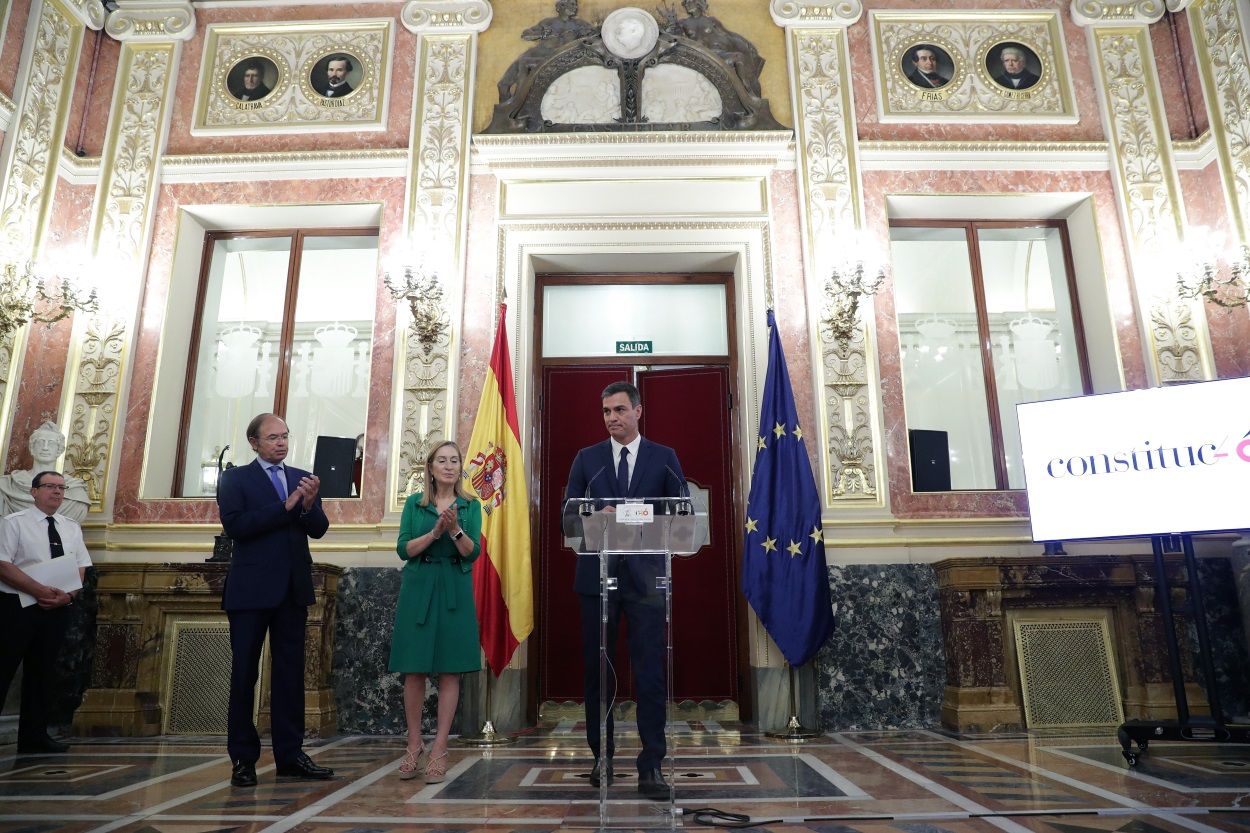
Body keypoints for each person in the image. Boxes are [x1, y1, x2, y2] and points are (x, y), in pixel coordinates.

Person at [564, 381, 686, 801]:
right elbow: (567, 516)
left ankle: (651, 764)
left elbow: (683, 512)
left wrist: (635, 512)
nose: (611, 418)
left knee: (649, 672)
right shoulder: (588, 459)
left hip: (646, 578)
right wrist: (596, 513)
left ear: (638, 411)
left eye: (619, 410)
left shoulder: (663, 457)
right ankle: (603, 757)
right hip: (596, 578)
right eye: (605, 412)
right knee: (598, 673)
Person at [216, 413, 334, 788]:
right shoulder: (235, 478)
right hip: (250, 592)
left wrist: (307, 504)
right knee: (244, 676)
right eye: (273, 438)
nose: (281, 443)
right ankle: (243, 759)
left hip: (291, 591)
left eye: (285, 436)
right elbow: (236, 527)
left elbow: (318, 529)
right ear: (254, 442)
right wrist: (285, 507)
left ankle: (290, 755)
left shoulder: (301, 477)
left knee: (289, 676)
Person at [388, 441, 482, 783]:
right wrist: (434, 532)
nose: (448, 466)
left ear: (460, 468)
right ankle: (414, 744)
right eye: (442, 460)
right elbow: (403, 548)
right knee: (413, 670)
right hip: (419, 586)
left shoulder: (471, 505)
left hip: (454, 587)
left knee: (450, 671)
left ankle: (440, 747)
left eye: (454, 461)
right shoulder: (415, 504)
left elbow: (472, 553)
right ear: (429, 468)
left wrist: (455, 529)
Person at [0, 471, 91, 754]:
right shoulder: (14, 523)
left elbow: (81, 565)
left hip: (57, 608)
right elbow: (3, 563)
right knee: (4, 668)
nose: (57, 492)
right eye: (50, 486)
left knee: (44, 672)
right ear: (34, 491)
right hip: (17, 605)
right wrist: (38, 590)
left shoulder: (71, 527)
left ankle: (34, 736)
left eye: (61, 488)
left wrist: (68, 595)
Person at [497, 0, 596, 100]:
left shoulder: (579, 24)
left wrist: (587, 34)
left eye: (575, 4)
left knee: (524, 62)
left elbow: (594, 35)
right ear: (560, 6)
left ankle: (517, 101)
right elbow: (526, 34)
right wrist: (542, 33)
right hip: (537, 54)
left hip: (555, 59)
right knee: (503, 84)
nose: (575, 7)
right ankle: (506, 107)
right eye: (572, 4)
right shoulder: (548, 22)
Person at [0, 422, 90, 522]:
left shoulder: (75, 490)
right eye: (40, 442)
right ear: (32, 448)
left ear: (60, 450)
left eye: (51, 443)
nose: (45, 447)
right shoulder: (7, 485)